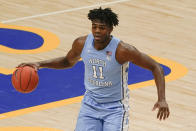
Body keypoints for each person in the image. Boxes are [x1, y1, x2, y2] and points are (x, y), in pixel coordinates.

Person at [18, 7, 169, 131]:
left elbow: (156, 67)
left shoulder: (123, 50)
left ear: (110, 29)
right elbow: (66, 61)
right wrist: (39, 64)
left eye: (102, 28)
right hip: (89, 105)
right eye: (94, 26)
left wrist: (161, 99)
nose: (97, 31)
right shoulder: (81, 43)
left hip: (114, 108)